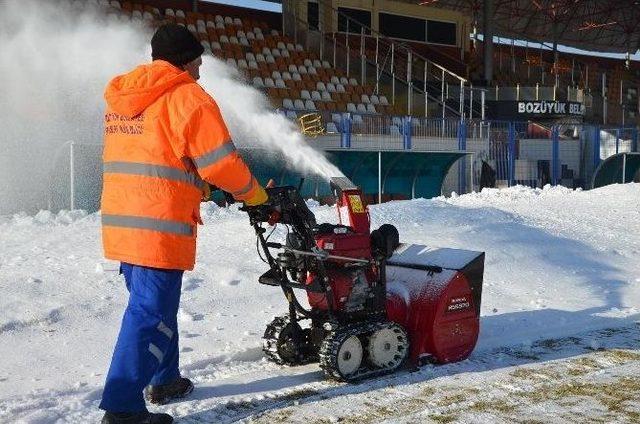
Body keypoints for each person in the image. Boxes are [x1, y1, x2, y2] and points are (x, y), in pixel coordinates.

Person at [99, 24, 268, 424]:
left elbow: (159, 159)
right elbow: (221, 163)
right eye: (198, 61)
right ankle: (122, 409)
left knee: (156, 306)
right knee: (149, 312)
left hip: (122, 222)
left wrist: (199, 187)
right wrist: (255, 195)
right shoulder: (189, 98)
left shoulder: (124, 96)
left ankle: (165, 378)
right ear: (187, 60)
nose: (201, 69)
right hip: (160, 226)